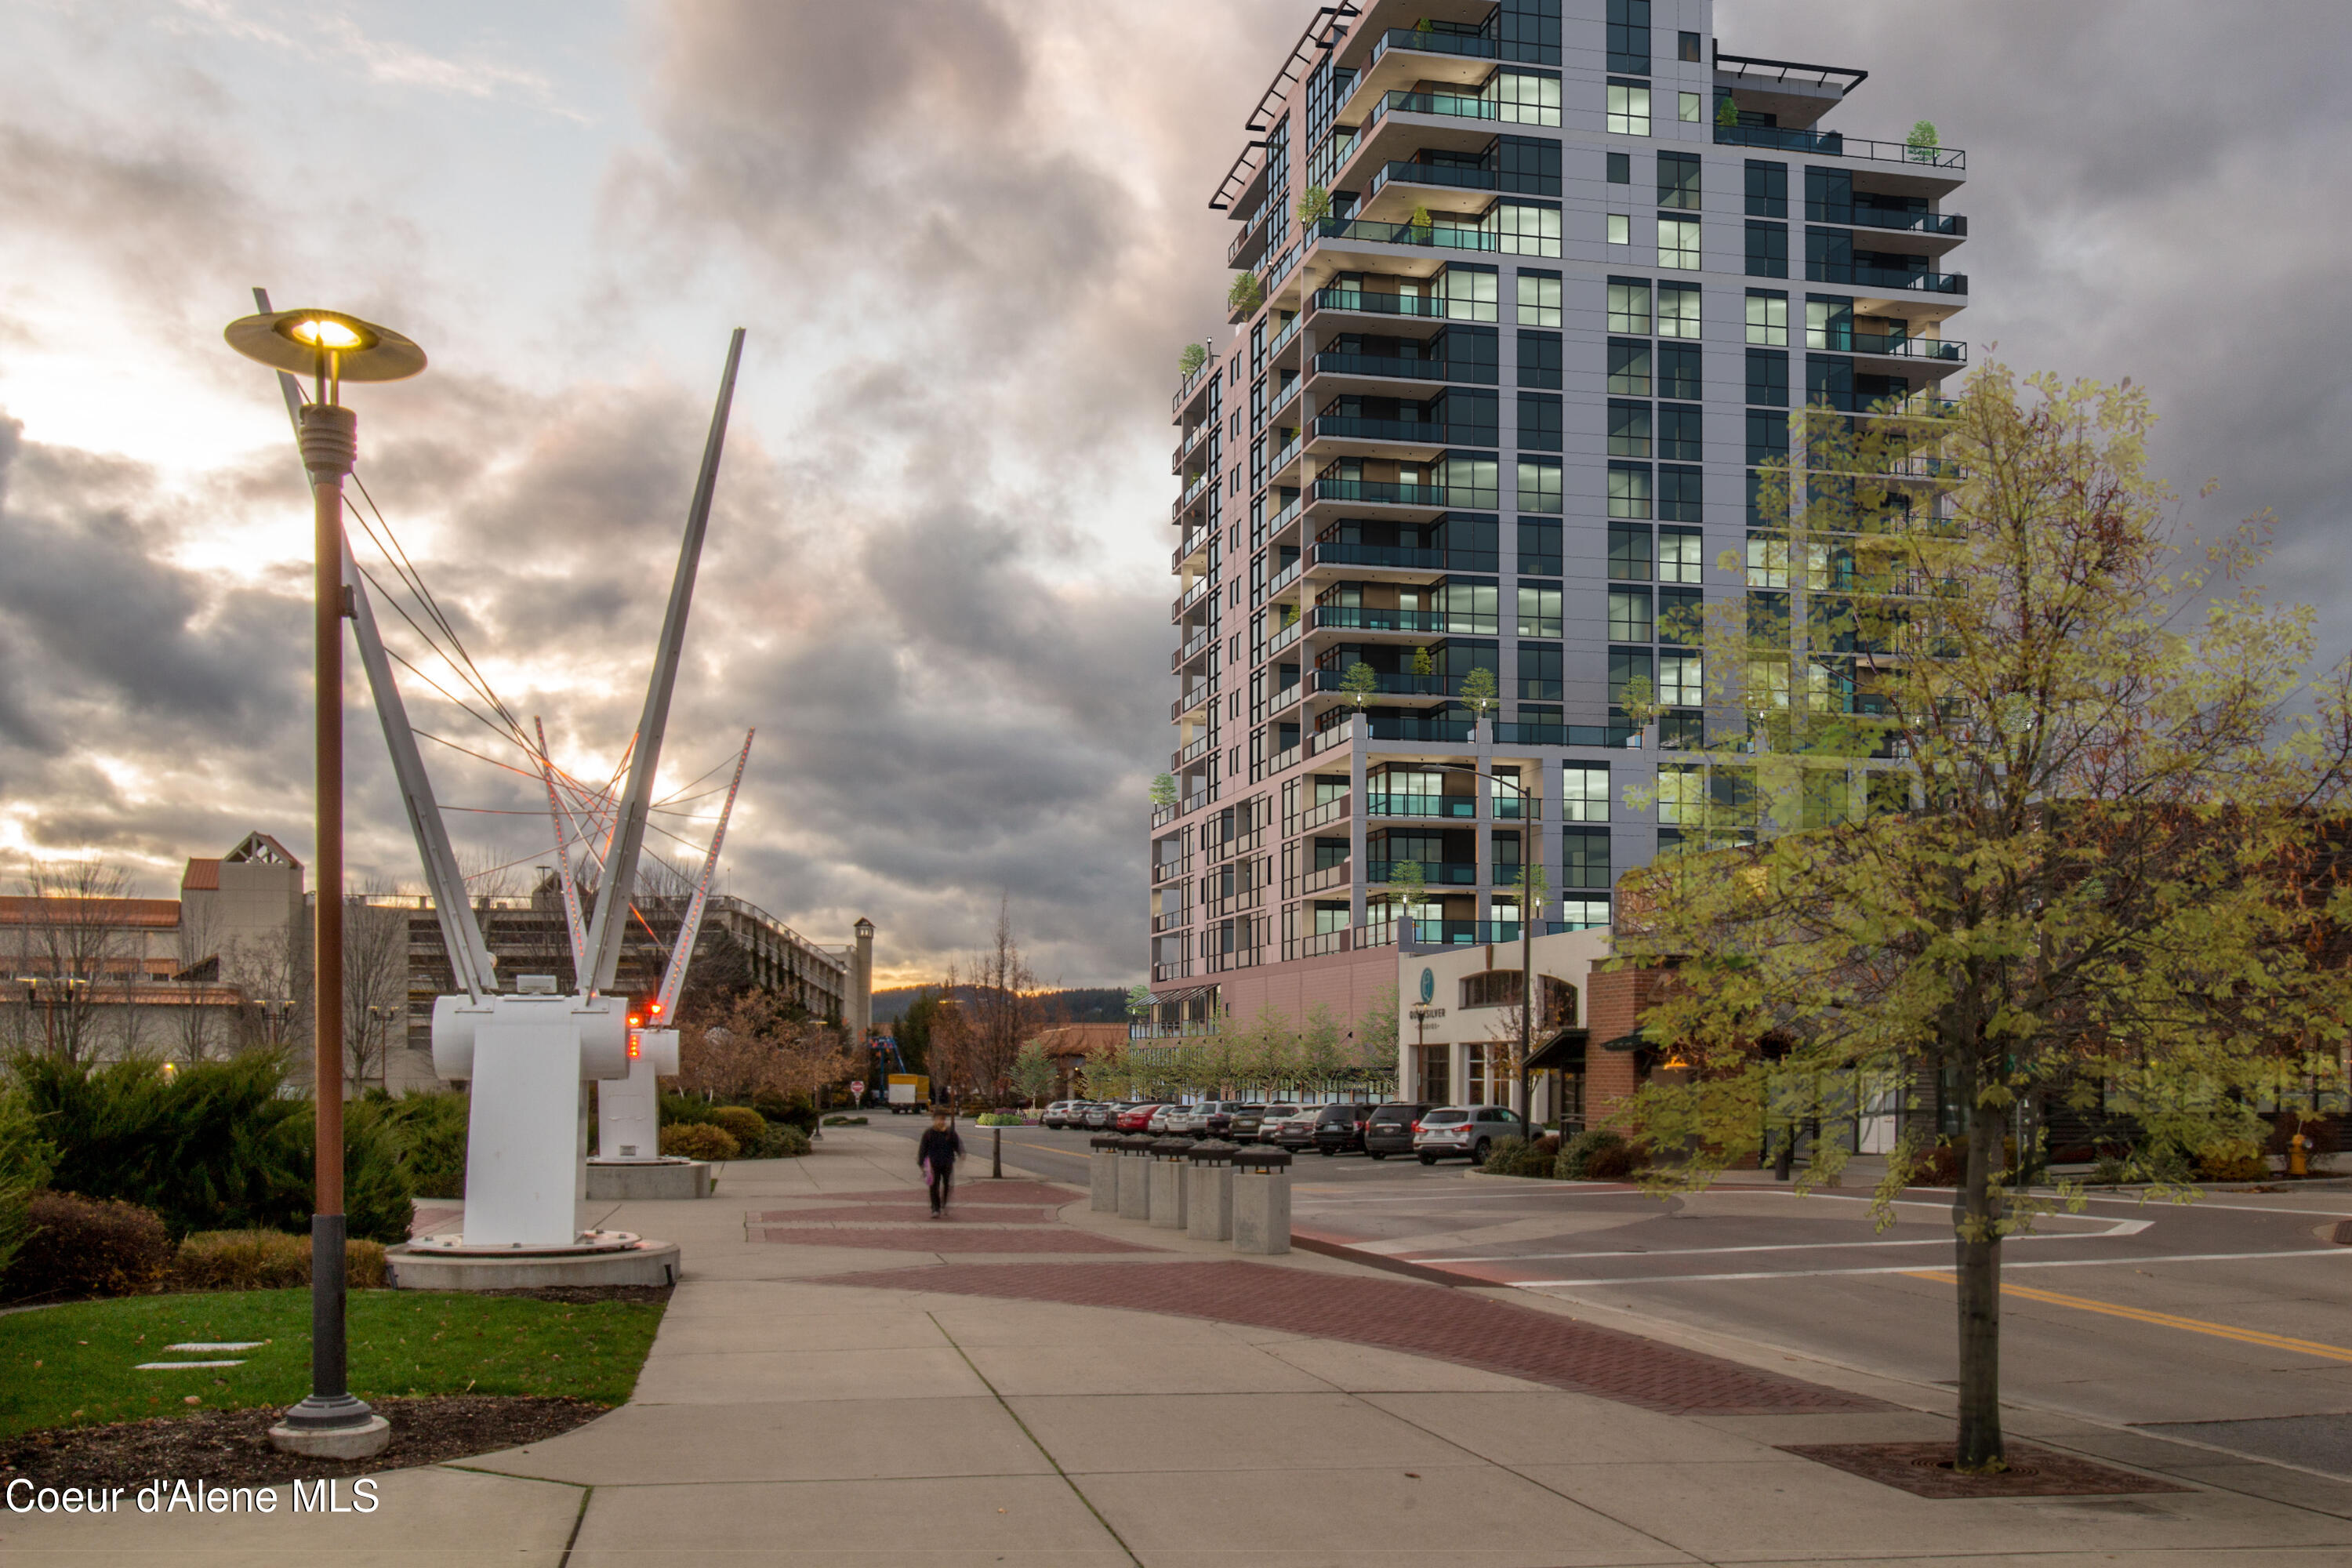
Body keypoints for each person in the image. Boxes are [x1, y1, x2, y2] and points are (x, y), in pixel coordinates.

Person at [916, 1111, 964, 1217]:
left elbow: (957, 1144)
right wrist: (921, 1163)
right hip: (933, 1164)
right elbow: (923, 1149)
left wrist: (961, 1153)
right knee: (934, 1186)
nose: (941, 1122)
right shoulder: (929, 1133)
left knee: (947, 1184)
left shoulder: (949, 1132)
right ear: (934, 1120)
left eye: (942, 1119)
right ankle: (935, 1208)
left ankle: (944, 1203)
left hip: (947, 1162)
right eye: (938, 1119)